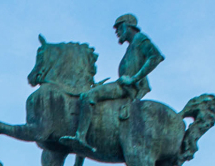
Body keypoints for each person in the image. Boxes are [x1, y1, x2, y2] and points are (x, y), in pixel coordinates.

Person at [69, 13, 165, 151]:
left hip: (126, 87)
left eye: (119, 28)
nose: (117, 32)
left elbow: (156, 57)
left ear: (128, 26)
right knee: (90, 104)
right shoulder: (133, 45)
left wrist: (134, 78)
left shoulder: (140, 39)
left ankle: (80, 137)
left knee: (87, 97)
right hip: (123, 85)